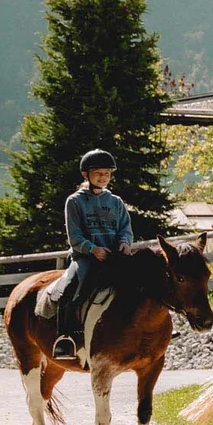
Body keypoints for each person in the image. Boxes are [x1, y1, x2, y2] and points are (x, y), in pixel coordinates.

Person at [52, 149, 135, 361]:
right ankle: (66, 338)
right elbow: (75, 236)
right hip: (86, 258)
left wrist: (125, 243)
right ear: (85, 174)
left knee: (141, 284)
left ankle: (146, 332)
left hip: (114, 257)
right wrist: (92, 249)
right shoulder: (75, 201)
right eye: (98, 173)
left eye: (107, 173)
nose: (103, 177)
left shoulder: (115, 202)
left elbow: (125, 228)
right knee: (70, 291)